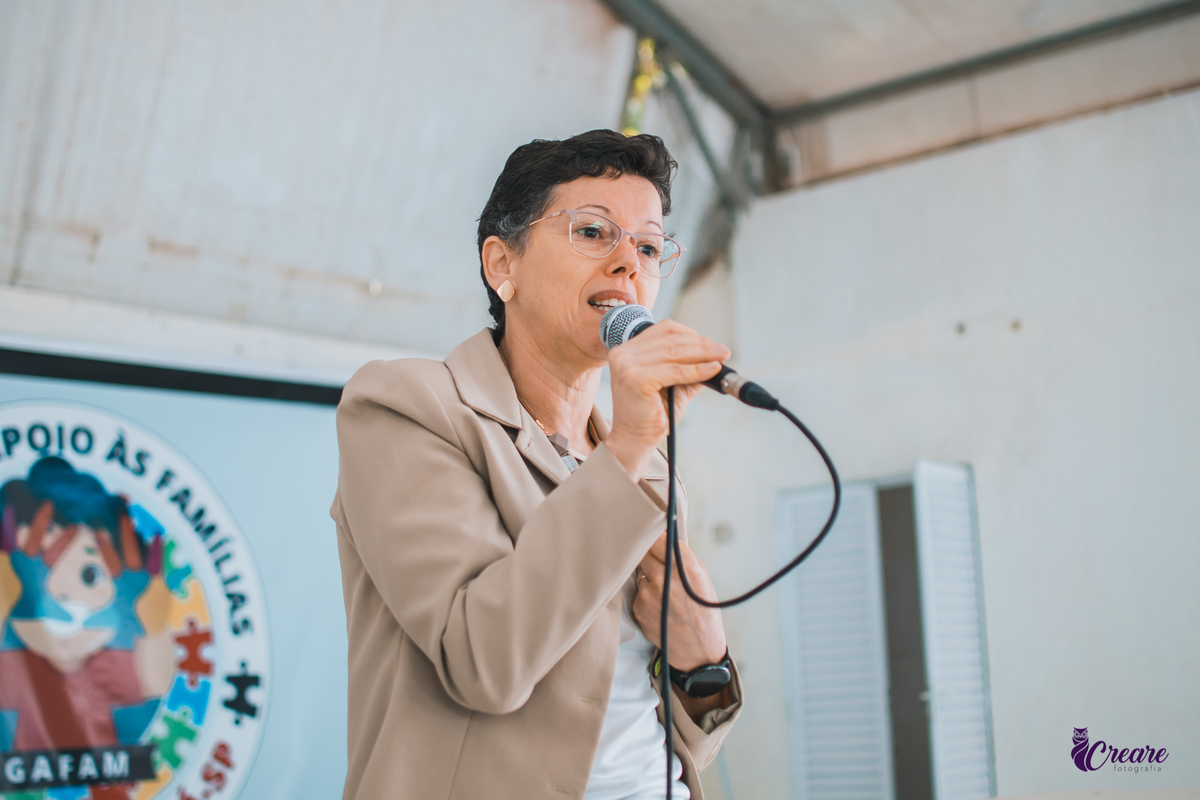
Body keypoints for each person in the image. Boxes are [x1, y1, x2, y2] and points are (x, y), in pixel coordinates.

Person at [332, 129, 741, 800]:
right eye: (593, 232)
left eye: (647, 247)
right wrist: (629, 445)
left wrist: (704, 663)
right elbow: (482, 664)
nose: (628, 265)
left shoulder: (652, 468)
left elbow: (660, 728)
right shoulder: (407, 405)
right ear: (503, 264)